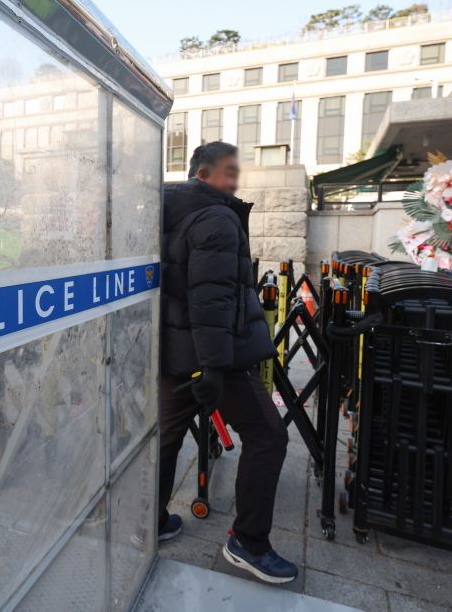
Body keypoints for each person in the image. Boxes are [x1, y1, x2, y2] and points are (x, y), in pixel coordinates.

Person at [158, 141, 295, 584]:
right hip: (218, 355)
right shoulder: (216, 216)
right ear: (203, 174)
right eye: (227, 172)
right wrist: (214, 367)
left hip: (176, 353)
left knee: (165, 438)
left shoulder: (169, 210)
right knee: (268, 436)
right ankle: (249, 543)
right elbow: (211, 298)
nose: (235, 180)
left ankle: (150, 521)